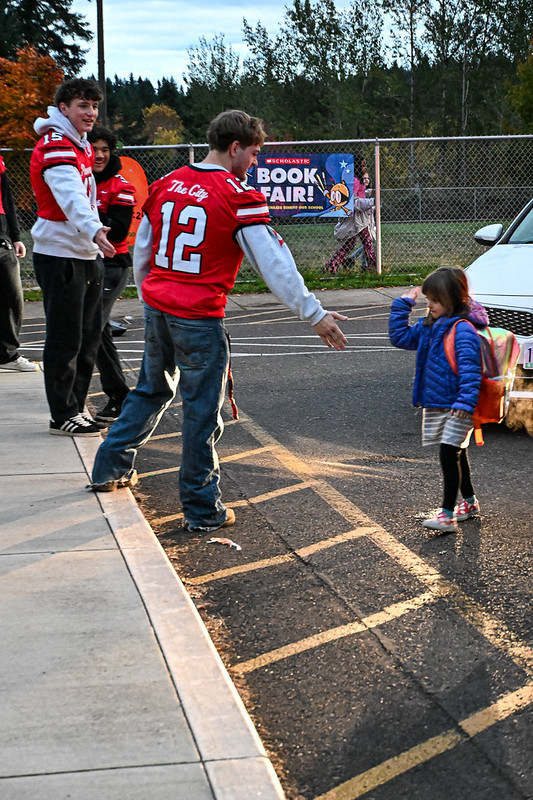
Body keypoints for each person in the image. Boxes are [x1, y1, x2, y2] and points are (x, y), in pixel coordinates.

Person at [91, 109, 347, 534]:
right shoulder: (237, 194)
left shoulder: (166, 183)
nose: (255, 162)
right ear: (234, 148)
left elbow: (144, 246)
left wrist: (148, 293)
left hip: (160, 305)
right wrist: (313, 313)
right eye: (254, 153)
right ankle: (201, 507)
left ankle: (109, 466)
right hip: (198, 316)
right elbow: (273, 262)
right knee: (201, 412)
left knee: (151, 389)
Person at [30, 78, 116, 436]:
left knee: (89, 336)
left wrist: (93, 236)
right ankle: (62, 412)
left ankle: (76, 407)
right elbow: (70, 196)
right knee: (66, 338)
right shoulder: (55, 144)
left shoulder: (78, 144)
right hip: (60, 252)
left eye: (94, 106)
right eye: (83, 105)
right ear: (63, 108)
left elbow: (86, 194)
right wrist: (95, 228)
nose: (91, 113)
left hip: (83, 251)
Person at [389, 267, 485, 533]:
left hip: (457, 407)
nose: (429, 304)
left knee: (448, 454)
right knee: (458, 454)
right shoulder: (428, 326)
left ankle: (446, 515)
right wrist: (402, 305)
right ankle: (470, 503)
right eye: (428, 299)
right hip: (439, 403)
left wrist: (465, 404)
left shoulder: (463, 330)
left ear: (452, 299)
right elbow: (400, 338)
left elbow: (470, 371)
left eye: (435, 300)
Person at [87, 125, 135, 423]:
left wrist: (88, 221)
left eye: (106, 150)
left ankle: (119, 395)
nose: (100, 155)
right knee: (97, 328)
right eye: (95, 149)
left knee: (91, 326)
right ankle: (120, 395)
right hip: (88, 262)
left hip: (113, 265)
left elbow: (116, 231)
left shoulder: (120, 186)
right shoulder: (79, 180)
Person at [0, 155, 39, 372]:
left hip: (2, 238)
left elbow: (7, 198)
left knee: (12, 298)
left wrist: (15, 236)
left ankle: (8, 356)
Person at [325, 158, 376, 274]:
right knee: (366, 243)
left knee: (354, 244)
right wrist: (373, 201)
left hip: (359, 219)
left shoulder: (357, 180)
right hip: (355, 219)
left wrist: (370, 192)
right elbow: (355, 202)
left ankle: (331, 265)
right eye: (363, 165)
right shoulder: (354, 181)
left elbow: (360, 195)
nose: (365, 168)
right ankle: (372, 267)